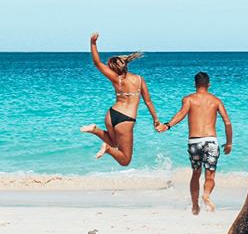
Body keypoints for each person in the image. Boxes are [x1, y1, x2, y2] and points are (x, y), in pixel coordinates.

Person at [156, 72, 233, 215]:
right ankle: (206, 195)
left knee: (196, 173)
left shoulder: (189, 99)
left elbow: (181, 114)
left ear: (195, 84)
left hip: (194, 142)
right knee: (210, 175)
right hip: (211, 141)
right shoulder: (216, 101)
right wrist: (229, 143)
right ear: (209, 84)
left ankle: (195, 205)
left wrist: (167, 125)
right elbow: (227, 122)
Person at [80, 32, 160, 166]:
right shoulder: (140, 80)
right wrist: (156, 120)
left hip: (111, 115)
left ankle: (96, 130)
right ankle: (107, 149)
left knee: (115, 142)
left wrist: (93, 43)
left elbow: (97, 62)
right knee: (125, 160)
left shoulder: (117, 79)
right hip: (126, 119)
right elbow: (148, 102)